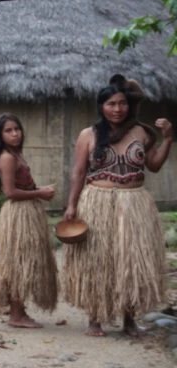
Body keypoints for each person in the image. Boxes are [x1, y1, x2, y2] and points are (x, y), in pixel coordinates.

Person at [62, 74, 173, 337]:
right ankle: (95, 318)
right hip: (97, 203)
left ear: (128, 105)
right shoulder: (88, 135)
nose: (117, 109)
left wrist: (167, 138)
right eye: (111, 103)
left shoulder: (142, 133)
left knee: (130, 261)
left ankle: (129, 319)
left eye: (122, 103)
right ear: (101, 106)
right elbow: (78, 173)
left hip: (134, 204)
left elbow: (154, 165)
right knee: (98, 261)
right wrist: (71, 205)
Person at [0, 113, 58, 328]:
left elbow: (22, 187)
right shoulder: (7, 157)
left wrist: (39, 190)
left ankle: (16, 309)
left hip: (24, 212)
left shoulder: (15, 155)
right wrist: (39, 194)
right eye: (8, 131)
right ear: (0, 135)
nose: (15, 133)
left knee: (21, 262)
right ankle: (17, 316)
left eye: (17, 129)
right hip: (19, 215)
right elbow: (10, 192)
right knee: (20, 264)